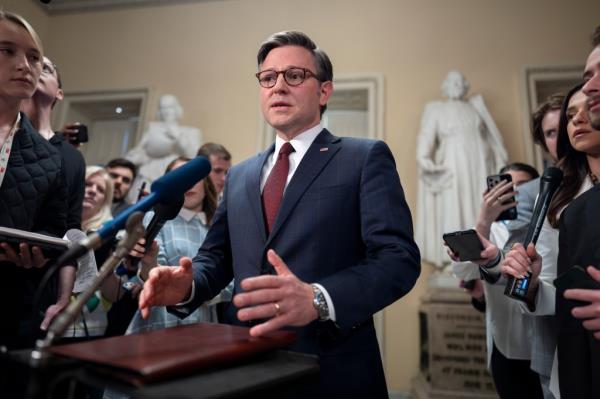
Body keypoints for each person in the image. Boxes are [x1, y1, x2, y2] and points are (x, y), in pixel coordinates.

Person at [138, 31, 420, 397]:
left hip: (332, 369)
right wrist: (186, 286)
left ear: (324, 91)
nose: (278, 86)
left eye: (295, 75)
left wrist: (318, 298)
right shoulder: (239, 176)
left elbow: (398, 260)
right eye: (268, 78)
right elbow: (217, 257)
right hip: (244, 368)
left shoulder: (363, 158)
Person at [503, 83, 599, 398]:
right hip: (574, 352)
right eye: (570, 115)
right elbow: (552, 291)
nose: (577, 120)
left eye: (588, 109)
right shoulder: (559, 198)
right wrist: (531, 287)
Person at [0, 11, 68, 349]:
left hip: (8, 307)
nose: (24, 65)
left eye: (33, 57)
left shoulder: (49, 157)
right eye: (6, 51)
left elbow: (52, 228)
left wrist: (38, 251)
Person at [453, 162, 543, 399]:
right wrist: (484, 220)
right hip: (506, 347)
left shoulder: (549, 227)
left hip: (548, 343)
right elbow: (463, 271)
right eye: (507, 189)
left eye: (523, 186)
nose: (516, 195)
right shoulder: (491, 232)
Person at [20, 56, 86, 331]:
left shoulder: (72, 157)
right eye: (35, 65)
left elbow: (71, 229)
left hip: (39, 283)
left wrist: (63, 298)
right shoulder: (6, 135)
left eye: (46, 69)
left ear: (59, 92)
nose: (37, 70)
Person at [416, 70, 508, 268]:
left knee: (478, 205)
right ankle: (456, 258)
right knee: (454, 206)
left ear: (465, 86)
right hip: (453, 163)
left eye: (459, 81)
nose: (456, 84)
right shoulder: (437, 110)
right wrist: (424, 158)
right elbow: (426, 136)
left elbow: (491, 140)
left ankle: (482, 252)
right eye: (451, 81)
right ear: (445, 87)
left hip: (479, 164)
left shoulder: (476, 108)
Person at [126, 94, 201, 196]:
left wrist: (177, 135)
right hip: (150, 173)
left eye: (170, 107)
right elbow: (139, 151)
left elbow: (195, 156)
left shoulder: (190, 132)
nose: (166, 111)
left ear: (177, 109)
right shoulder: (152, 129)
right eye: (163, 108)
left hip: (176, 174)